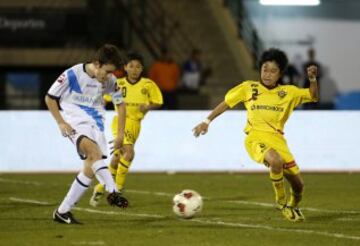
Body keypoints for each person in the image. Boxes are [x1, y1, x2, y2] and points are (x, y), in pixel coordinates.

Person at [193, 48, 318, 222]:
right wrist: (206, 121)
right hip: (255, 138)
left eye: (273, 71)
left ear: (280, 74)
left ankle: (293, 206)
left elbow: (313, 96)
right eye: (265, 69)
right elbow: (226, 103)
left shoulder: (289, 92)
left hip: (278, 140)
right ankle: (281, 203)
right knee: (276, 161)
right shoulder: (248, 88)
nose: (267, 74)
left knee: (298, 186)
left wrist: (312, 79)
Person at [45, 44, 129, 224]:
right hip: (74, 122)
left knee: (89, 170)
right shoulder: (72, 74)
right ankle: (113, 190)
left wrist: (120, 134)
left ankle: (62, 212)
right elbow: (50, 98)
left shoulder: (111, 81)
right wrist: (61, 122)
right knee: (93, 153)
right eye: (106, 71)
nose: (108, 76)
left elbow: (120, 105)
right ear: (97, 64)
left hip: (96, 124)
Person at [89, 51, 163, 207]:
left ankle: (100, 187)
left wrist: (148, 106)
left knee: (117, 159)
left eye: (138, 66)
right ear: (125, 68)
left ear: (142, 69)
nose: (134, 69)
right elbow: (104, 97)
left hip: (136, 124)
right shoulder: (118, 83)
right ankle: (117, 190)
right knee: (129, 154)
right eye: (131, 66)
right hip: (120, 122)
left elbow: (158, 101)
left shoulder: (148, 85)